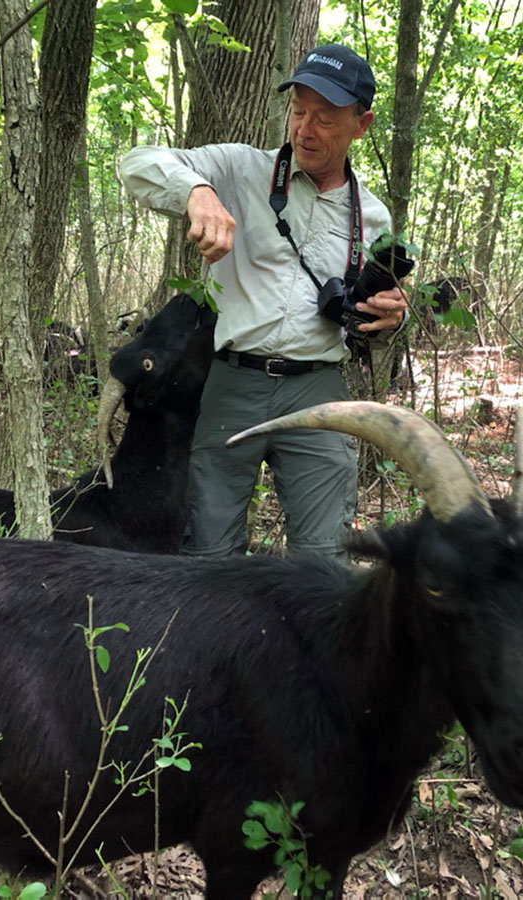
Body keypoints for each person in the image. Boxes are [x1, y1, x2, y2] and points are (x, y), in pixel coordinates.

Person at [120, 43, 407, 562]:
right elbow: (136, 164)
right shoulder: (239, 169)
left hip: (319, 388)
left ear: (360, 125)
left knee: (323, 560)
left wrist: (388, 318)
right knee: (209, 551)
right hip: (233, 381)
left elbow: (371, 323)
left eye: (324, 118)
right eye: (298, 112)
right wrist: (197, 191)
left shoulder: (374, 218)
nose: (305, 129)